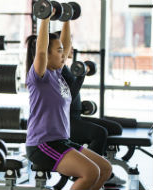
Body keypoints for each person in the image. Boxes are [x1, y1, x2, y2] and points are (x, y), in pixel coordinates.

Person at [25, 11, 112, 190]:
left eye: (63, 51)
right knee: (91, 172)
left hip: (62, 140)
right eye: (58, 51)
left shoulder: (57, 74)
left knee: (104, 169)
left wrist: (66, 19)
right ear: (47, 56)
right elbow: (41, 52)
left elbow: (65, 43)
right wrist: (45, 18)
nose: (64, 54)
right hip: (42, 144)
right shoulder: (39, 77)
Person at [54, 31, 125, 186]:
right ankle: (90, 171)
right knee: (100, 133)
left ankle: (97, 163)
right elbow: (68, 97)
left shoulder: (66, 67)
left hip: (76, 117)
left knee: (115, 128)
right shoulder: (57, 71)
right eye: (68, 45)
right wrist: (81, 76)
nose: (72, 48)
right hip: (65, 122)